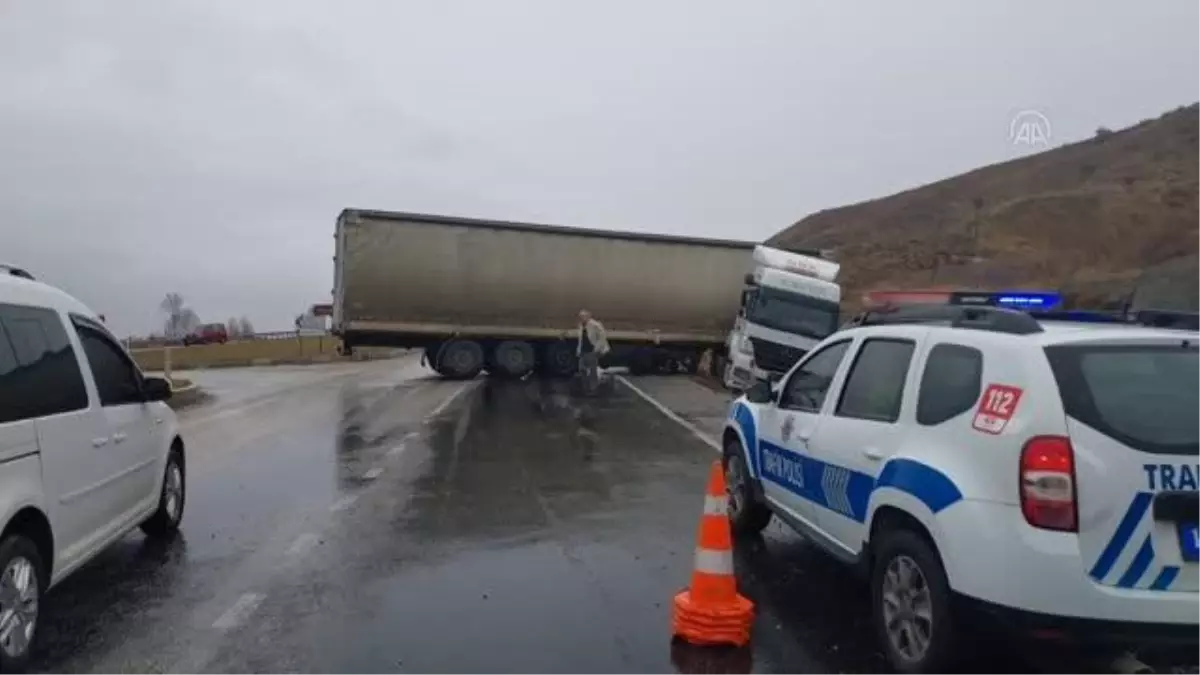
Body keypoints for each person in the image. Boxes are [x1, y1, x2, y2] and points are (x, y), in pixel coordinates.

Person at [576, 309, 611, 393]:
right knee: (581, 369)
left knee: (592, 370)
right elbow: (580, 339)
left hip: (592, 350)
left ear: (588, 317)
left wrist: (596, 349)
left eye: (583, 316)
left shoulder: (595, 325)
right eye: (580, 317)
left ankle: (593, 388)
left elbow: (602, 337)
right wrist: (578, 350)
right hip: (584, 350)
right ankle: (586, 387)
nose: (581, 318)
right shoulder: (581, 325)